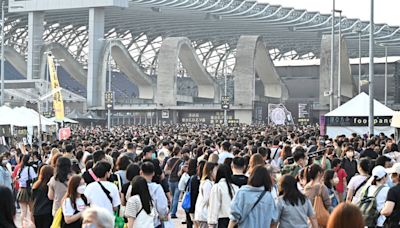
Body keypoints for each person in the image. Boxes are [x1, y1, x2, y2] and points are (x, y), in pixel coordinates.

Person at [139, 161, 169, 227]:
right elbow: (162, 207)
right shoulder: (157, 188)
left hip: (139, 223)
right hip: (154, 222)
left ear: (141, 172)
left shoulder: (135, 187)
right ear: (153, 173)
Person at [16, 154, 37, 228]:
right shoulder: (30, 168)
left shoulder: (20, 168)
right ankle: (33, 225)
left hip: (21, 190)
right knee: (32, 210)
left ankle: (23, 225)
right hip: (28, 190)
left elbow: (18, 179)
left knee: (23, 211)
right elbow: (35, 177)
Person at [194, 162, 217, 228]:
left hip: (202, 214)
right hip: (204, 215)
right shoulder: (207, 183)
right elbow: (207, 199)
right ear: (210, 172)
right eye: (215, 170)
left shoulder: (207, 182)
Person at [164, 146, 183, 219]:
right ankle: (173, 213)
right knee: (176, 198)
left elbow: (165, 170)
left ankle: (170, 211)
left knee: (171, 197)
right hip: (178, 180)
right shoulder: (181, 161)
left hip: (170, 180)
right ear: (179, 152)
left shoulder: (169, 160)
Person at [381, 163, 400, 227]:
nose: (391, 176)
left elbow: (387, 211)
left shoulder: (393, 190)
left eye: (392, 174)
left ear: (397, 175)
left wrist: (381, 211)